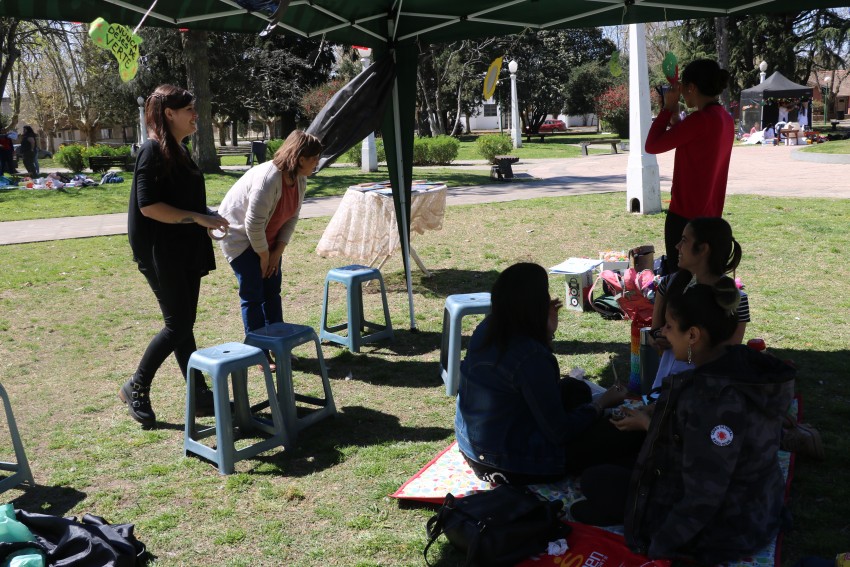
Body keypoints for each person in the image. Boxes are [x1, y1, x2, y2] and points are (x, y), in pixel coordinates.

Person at [577, 280, 794, 566]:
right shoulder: (735, 364)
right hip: (755, 504)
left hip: (730, 525)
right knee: (615, 470)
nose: (663, 333)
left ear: (692, 334)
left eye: (668, 326)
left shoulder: (713, 399)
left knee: (595, 484)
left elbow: (704, 492)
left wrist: (659, 544)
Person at [454, 262, 627, 485]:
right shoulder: (530, 356)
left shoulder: (488, 327)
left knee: (575, 389)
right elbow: (559, 432)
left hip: (472, 447)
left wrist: (546, 334)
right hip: (509, 464)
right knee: (620, 430)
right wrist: (601, 403)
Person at [121, 84, 230, 429]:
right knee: (178, 324)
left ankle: (197, 396)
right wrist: (198, 218)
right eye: (189, 110)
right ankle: (136, 385)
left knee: (184, 323)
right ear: (170, 114)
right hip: (159, 251)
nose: (195, 116)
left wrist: (207, 214)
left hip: (184, 248)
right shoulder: (152, 151)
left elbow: (183, 201)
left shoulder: (180, 150)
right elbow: (149, 206)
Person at [216, 130, 322, 338]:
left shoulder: (300, 178)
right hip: (241, 238)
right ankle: (260, 350)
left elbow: (292, 217)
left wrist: (276, 253)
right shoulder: (268, 179)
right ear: (301, 159)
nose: (317, 163)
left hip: (268, 240)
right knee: (253, 295)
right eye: (315, 159)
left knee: (272, 293)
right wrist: (265, 256)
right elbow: (252, 225)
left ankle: (279, 345)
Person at [645, 59, 734, 273]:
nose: (681, 94)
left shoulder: (699, 119)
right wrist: (675, 119)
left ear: (692, 87)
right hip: (711, 216)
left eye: (683, 88)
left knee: (679, 283)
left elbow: (652, 145)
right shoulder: (725, 118)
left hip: (685, 218)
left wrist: (666, 109)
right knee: (704, 280)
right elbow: (695, 144)